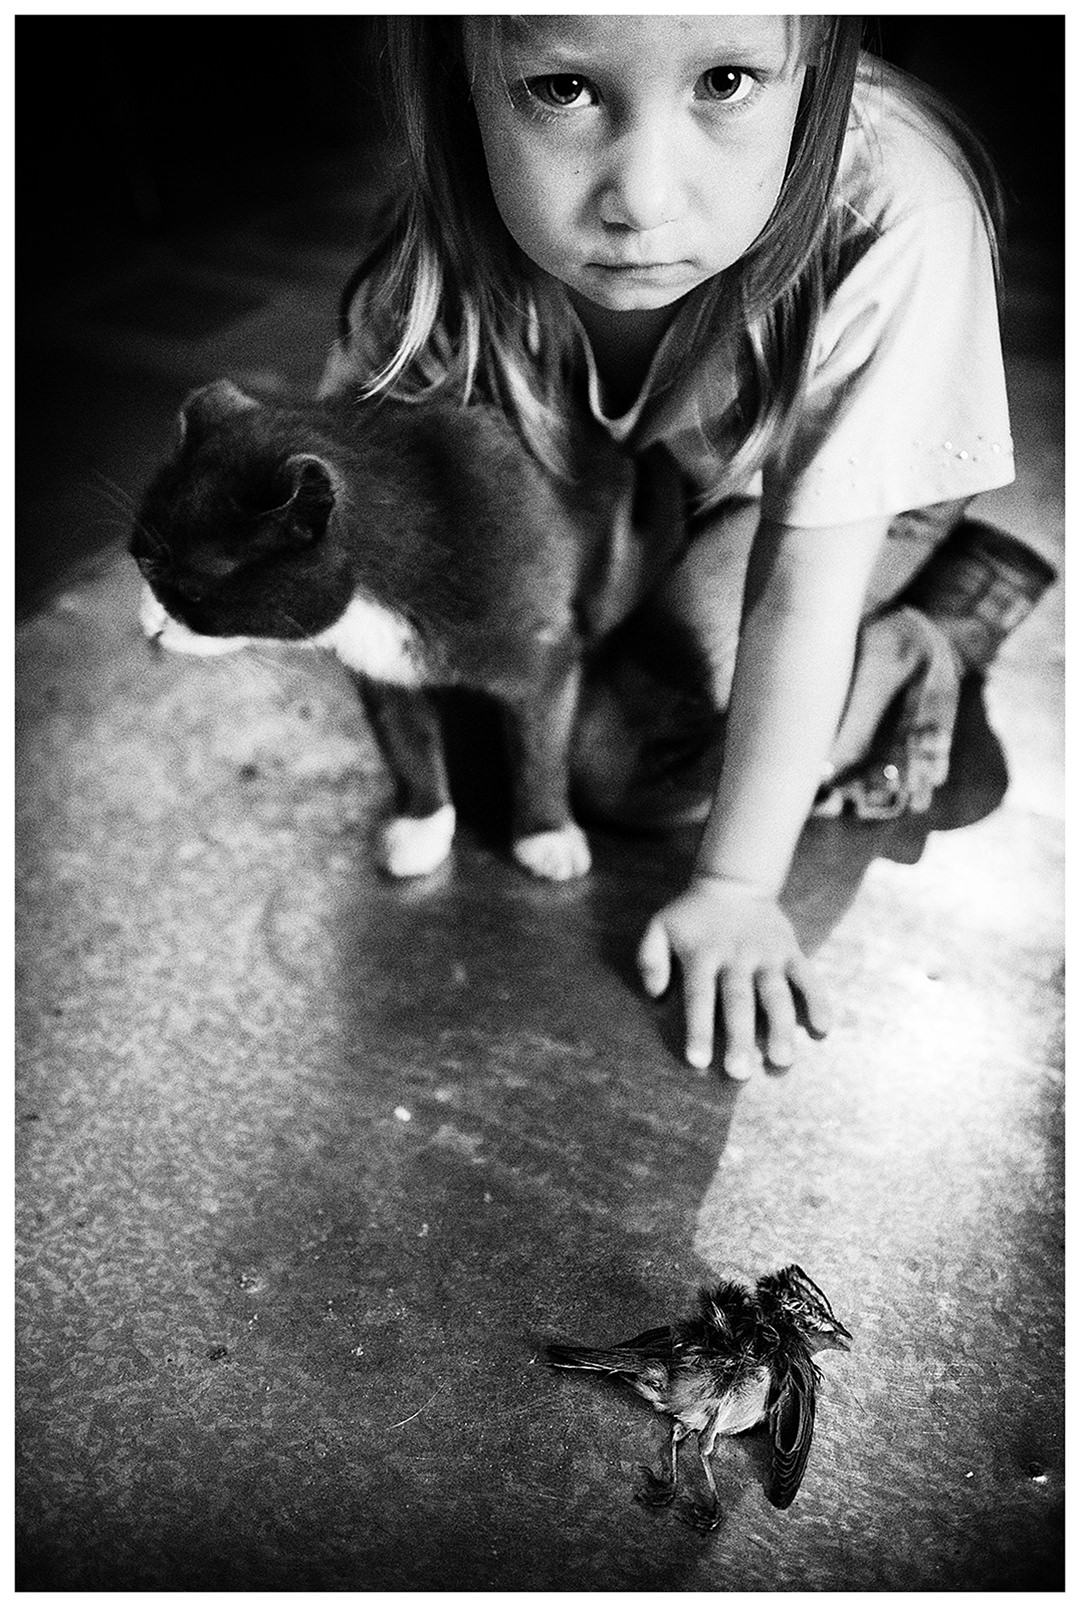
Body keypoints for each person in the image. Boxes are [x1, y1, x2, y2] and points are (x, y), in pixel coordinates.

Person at [322, 15, 1055, 1080]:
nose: (645, 201)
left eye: (725, 80)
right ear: (459, 77)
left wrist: (737, 889)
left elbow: (799, 590)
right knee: (500, 724)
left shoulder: (905, 212)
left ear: (817, 62)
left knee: (624, 774)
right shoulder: (445, 208)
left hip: (837, 500)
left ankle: (923, 635)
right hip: (657, 487)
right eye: (564, 88)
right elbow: (377, 471)